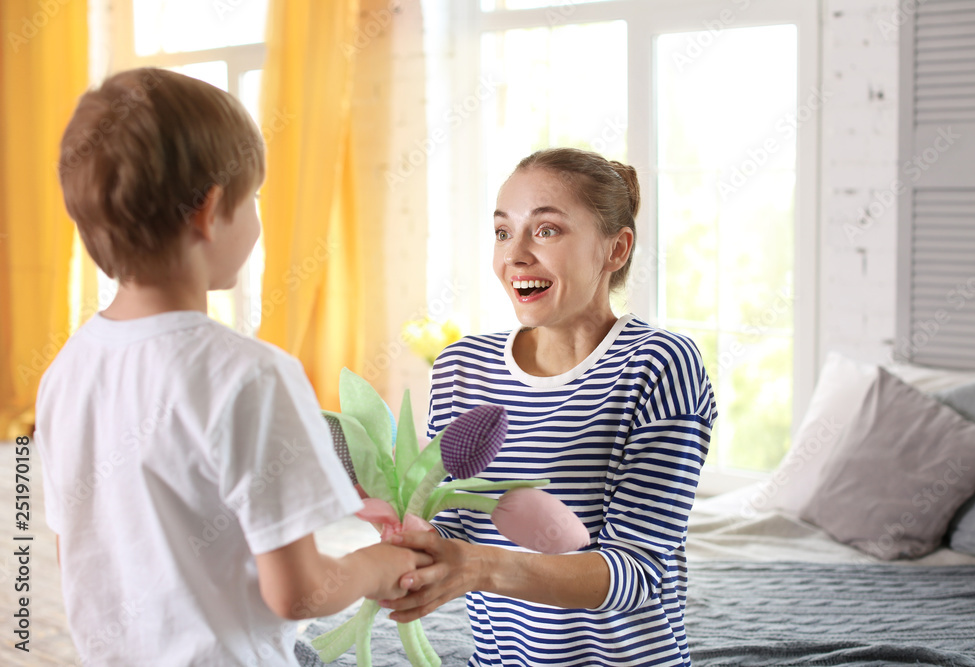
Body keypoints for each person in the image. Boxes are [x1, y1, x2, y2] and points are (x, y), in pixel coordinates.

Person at [35, 67, 428, 666]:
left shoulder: (64, 371)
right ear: (210, 211)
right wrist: (376, 564)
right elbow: (298, 592)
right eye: (257, 198)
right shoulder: (253, 374)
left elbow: (80, 552)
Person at [382, 147, 718, 666]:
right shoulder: (460, 367)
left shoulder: (658, 365)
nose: (513, 255)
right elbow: (450, 521)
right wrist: (409, 531)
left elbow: (637, 569)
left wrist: (476, 568)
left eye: (546, 230)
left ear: (616, 249)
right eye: (501, 231)